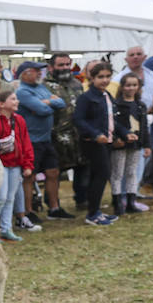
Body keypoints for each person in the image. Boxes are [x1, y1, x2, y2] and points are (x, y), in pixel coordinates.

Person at [14, 60, 71, 221]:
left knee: (53, 172)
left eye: (41, 70)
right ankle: (28, 211)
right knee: (29, 176)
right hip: (31, 140)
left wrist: (49, 102)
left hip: (46, 138)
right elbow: (42, 110)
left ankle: (54, 208)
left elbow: (61, 103)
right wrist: (49, 102)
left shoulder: (41, 87)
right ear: (24, 73)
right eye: (35, 70)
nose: (40, 73)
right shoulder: (22, 91)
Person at [73, 62, 124, 226]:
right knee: (102, 174)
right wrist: (95, 134)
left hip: (107, 141)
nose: (105, 80)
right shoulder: (86, 97)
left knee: (99, 176)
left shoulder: (107, 95)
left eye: (108, 76)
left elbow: (112, 119)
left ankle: (95, 210)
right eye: (100, 77)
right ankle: (92, 213)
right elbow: (78, 120)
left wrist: (124, 133)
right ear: (92, 78)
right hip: (93, 142)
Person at [0, 90, 36, 239]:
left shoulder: (19, 120)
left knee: (10, 198)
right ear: (1, 104)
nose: (16, 101)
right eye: (13, 99)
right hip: (0, 166)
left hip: (15, 165)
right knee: (0, 198)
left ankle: (6, 229)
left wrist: (27, 164)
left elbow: (26, 143)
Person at [46, 52, 87, 208]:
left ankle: (82, 199)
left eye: (67, 64)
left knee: (82, 168)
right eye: (60, 65)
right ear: (51, 67)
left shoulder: (77, 84)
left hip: (77, 134)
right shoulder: (44, 86)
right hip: (55, 136)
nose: (65, 68)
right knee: (53, 172)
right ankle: (52, 204)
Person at [112, 74, 150, 214]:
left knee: (131, 172)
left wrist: (147, 145)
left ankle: (131, 202)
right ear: (122, 87)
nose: (131, 88)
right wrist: (117, 138)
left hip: (136, 145)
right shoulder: (116, 105)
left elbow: (144, 126)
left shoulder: (140, 105)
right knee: (117, 173)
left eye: (134, 85)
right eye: (128, 85)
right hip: (121, 144)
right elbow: (113, 124)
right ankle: (117, 202)